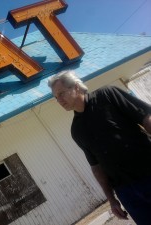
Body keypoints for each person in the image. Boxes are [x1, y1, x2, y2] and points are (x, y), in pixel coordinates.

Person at [47, 70, 151, 225]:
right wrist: (112, 199)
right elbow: (96, 167)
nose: (59, 100)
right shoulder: (76, 130)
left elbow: (146, 118)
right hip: (126, 191)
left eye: (61, 94)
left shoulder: (107, 95)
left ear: (76, 87)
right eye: (56, 97)